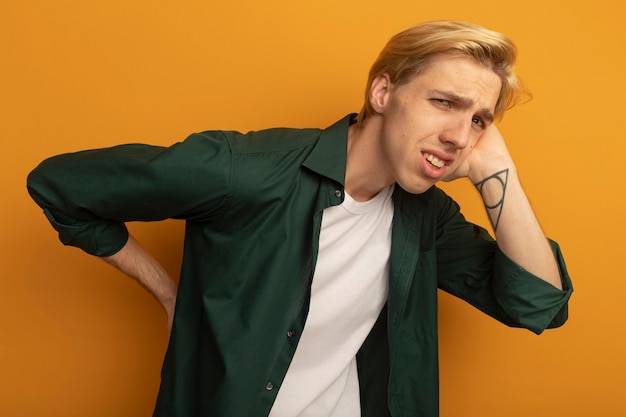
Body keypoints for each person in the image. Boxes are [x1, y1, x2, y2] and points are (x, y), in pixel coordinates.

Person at [27, 20, 572, 417]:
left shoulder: (424, 215)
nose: (460, 135)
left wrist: (496, 170)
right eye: (444, 103)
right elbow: (61, 186)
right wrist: (171, 297)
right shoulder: (244, 172)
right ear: (383, 91)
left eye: (479, 119)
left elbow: (538, 304)